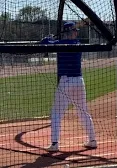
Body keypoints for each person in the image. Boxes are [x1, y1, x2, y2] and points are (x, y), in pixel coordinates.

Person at [40, 22, 97, 152]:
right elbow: (51, 43)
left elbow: (45, 43)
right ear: (71, 32)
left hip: (66, 82)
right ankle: (92, 140)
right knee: (83, 112)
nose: (76, 32)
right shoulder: (77, 43)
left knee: (56, 113)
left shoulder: (60, 43)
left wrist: (48, 38)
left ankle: (54, 144)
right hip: (79, 82)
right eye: (74, 31)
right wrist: (51, 40)